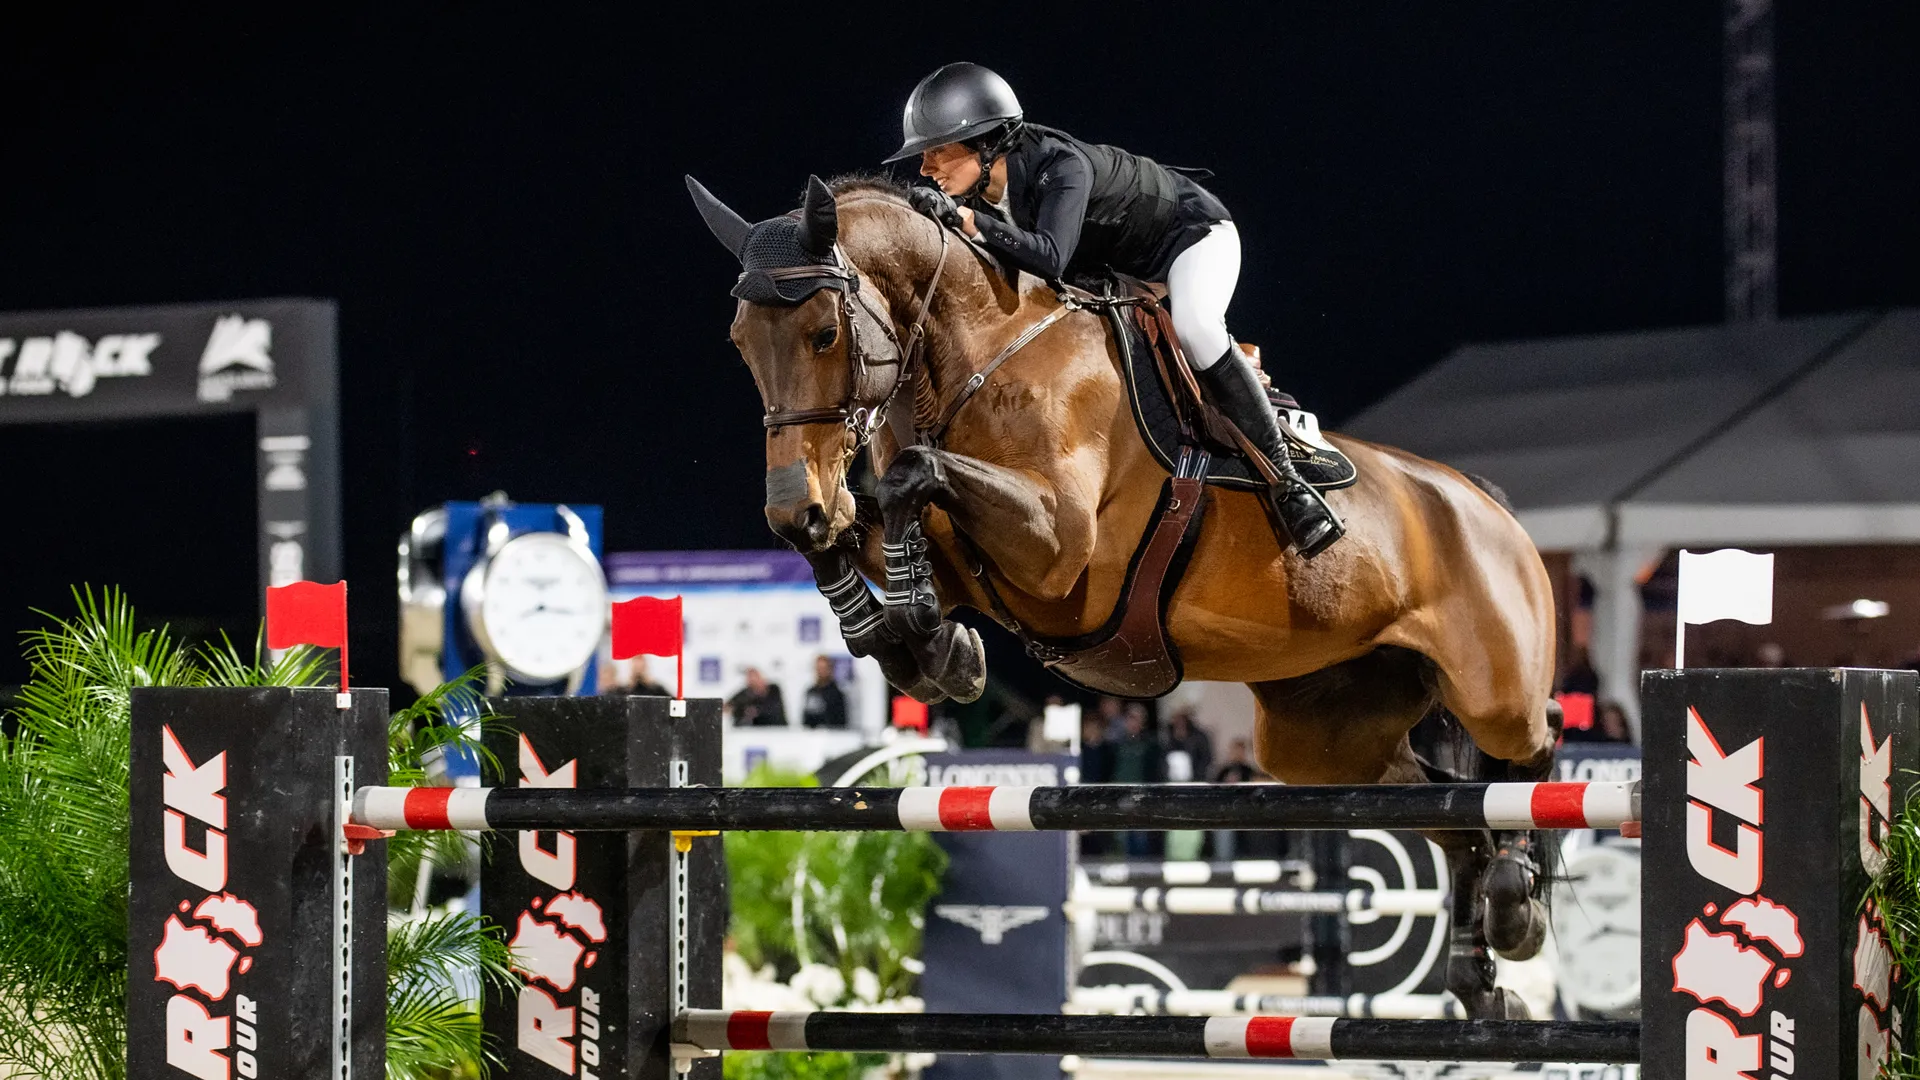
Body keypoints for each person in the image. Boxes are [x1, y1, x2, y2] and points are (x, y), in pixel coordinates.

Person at [888, 62, 1343, 559]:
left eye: (937, 151)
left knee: (1196, 331)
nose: (926, 168)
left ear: (989, 141)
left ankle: (1291, 484)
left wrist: (971, 223)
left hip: (1189, 240)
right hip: (1114, 266)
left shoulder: (1061, 166)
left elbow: (1049, 257)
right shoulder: (987, 189)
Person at [1108, 704, 1165, 857]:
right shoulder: (1116, 744)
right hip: (1119, 793)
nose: (1133, 723)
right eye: (1130, 719)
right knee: (1121, 835)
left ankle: (1140, 870)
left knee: (1140, 835)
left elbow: (1155, 771)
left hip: (1142, 793)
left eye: (1137, 719)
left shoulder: (1150, 745)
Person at [800, 655, 849, 729]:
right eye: (819, 668)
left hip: (832, 736)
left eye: (824, 668)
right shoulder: (810, 692)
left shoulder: (837, 694)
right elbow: (806, 718)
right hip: (811, 736)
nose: (821, 671)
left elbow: (841, 722)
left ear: (830, 669)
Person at [1164, 710, 1214, 783]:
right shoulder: (1167, 737)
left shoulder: (1199, 737)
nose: (1179, 722)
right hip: (1172, 780)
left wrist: (1198, 775)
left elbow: (1206, 757)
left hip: (1195, 779)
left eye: (1181, 718)